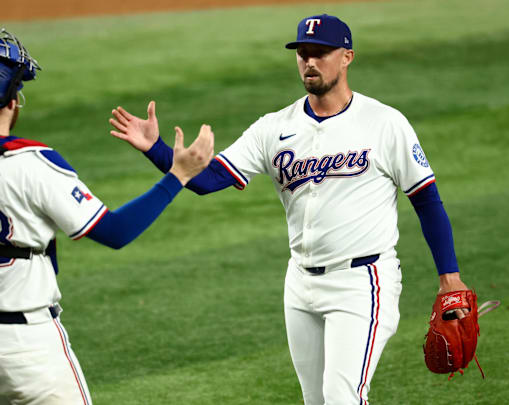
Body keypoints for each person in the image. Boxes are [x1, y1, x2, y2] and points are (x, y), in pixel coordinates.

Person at [109, 14, 471, 404]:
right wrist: (155, 149)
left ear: (347, 56)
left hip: (363, 282)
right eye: (303, 53)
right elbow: (205, 180)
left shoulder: (384, 124)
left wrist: (449, 276)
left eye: (320, 53)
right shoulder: (274, 127)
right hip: (299, 284)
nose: (309, 61)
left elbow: (426, 200)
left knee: (342, 398)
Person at [0, 28, 213, 404]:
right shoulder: (33, 164)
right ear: (13, 100)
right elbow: (114, 231)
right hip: (29, 349)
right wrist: (178, 176)